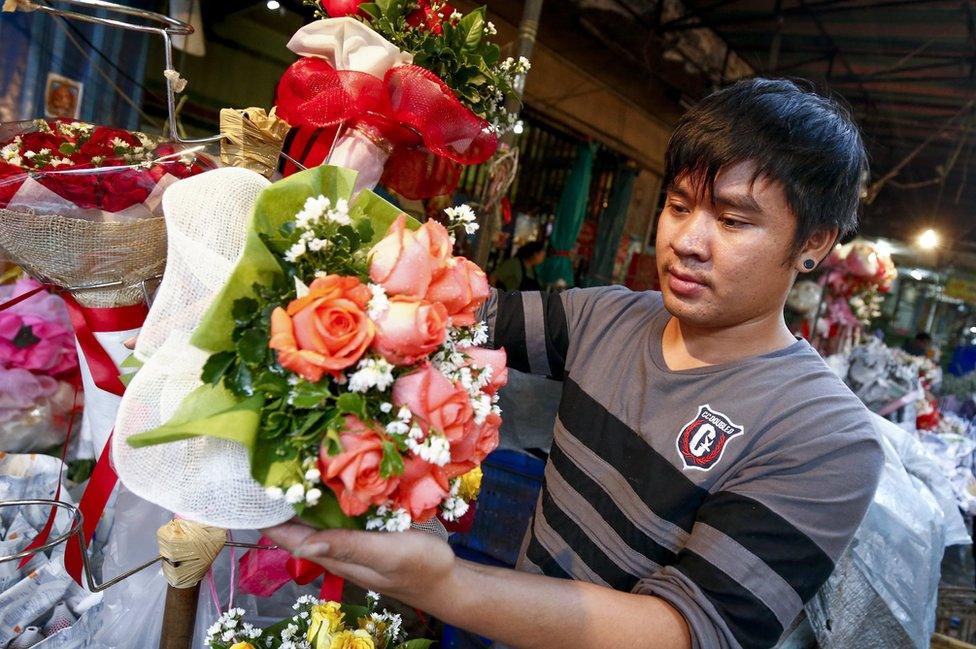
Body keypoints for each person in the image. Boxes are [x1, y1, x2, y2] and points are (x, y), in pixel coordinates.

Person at [265, 78, 884, 649]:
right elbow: (447, 313)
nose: (688, 242)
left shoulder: (825, 436)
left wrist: (442, 586)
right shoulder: (607, 319)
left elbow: (689, 632)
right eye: (677, 205)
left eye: (732, 220)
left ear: (814, 242)